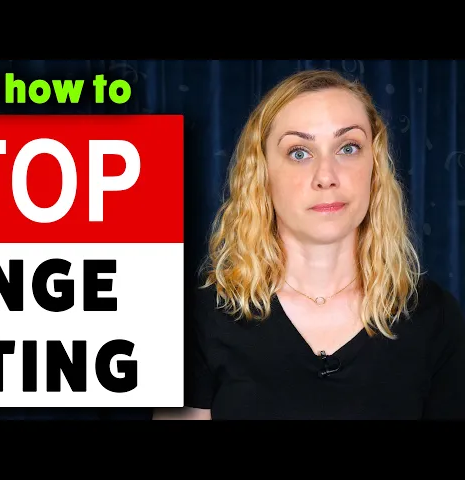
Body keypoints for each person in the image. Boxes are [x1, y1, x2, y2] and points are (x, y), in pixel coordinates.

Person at [154, 69, 465, 420]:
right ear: (262, 173)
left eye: (348, 148)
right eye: (299, 153)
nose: (326, 177)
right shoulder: (197, 318)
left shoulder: (434, 315)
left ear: (375, 167)